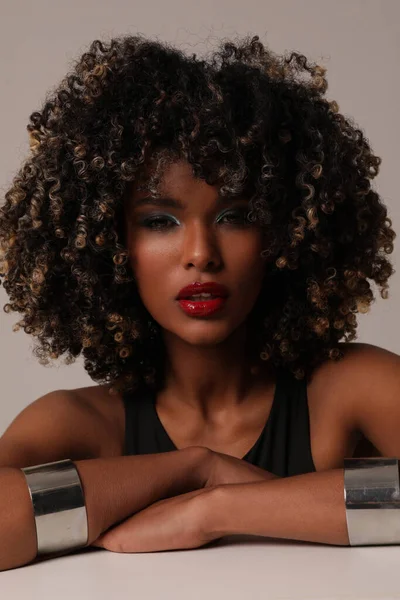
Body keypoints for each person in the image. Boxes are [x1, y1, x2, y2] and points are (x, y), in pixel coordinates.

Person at [0, 32, 399, 572]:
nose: (200, 254)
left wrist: (217, 503)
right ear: (112, 245)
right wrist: (190, 468)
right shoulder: (82, 424)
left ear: (284, 234)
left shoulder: (346, 390)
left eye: (235, 216)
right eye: (159, 220)